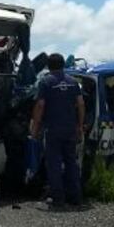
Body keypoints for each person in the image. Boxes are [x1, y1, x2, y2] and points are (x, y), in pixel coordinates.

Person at [30, 53, 85, 208]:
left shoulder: (46, 82)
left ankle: (58, 199)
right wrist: (80, 126)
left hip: (53, 130)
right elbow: (80, 104)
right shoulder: (73, 82)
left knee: (53, 164)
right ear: (63, 65)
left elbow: (40, 105)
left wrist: (35, 128)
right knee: (71, 163)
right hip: (70, 129)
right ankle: (75, 198)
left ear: (48, 66)